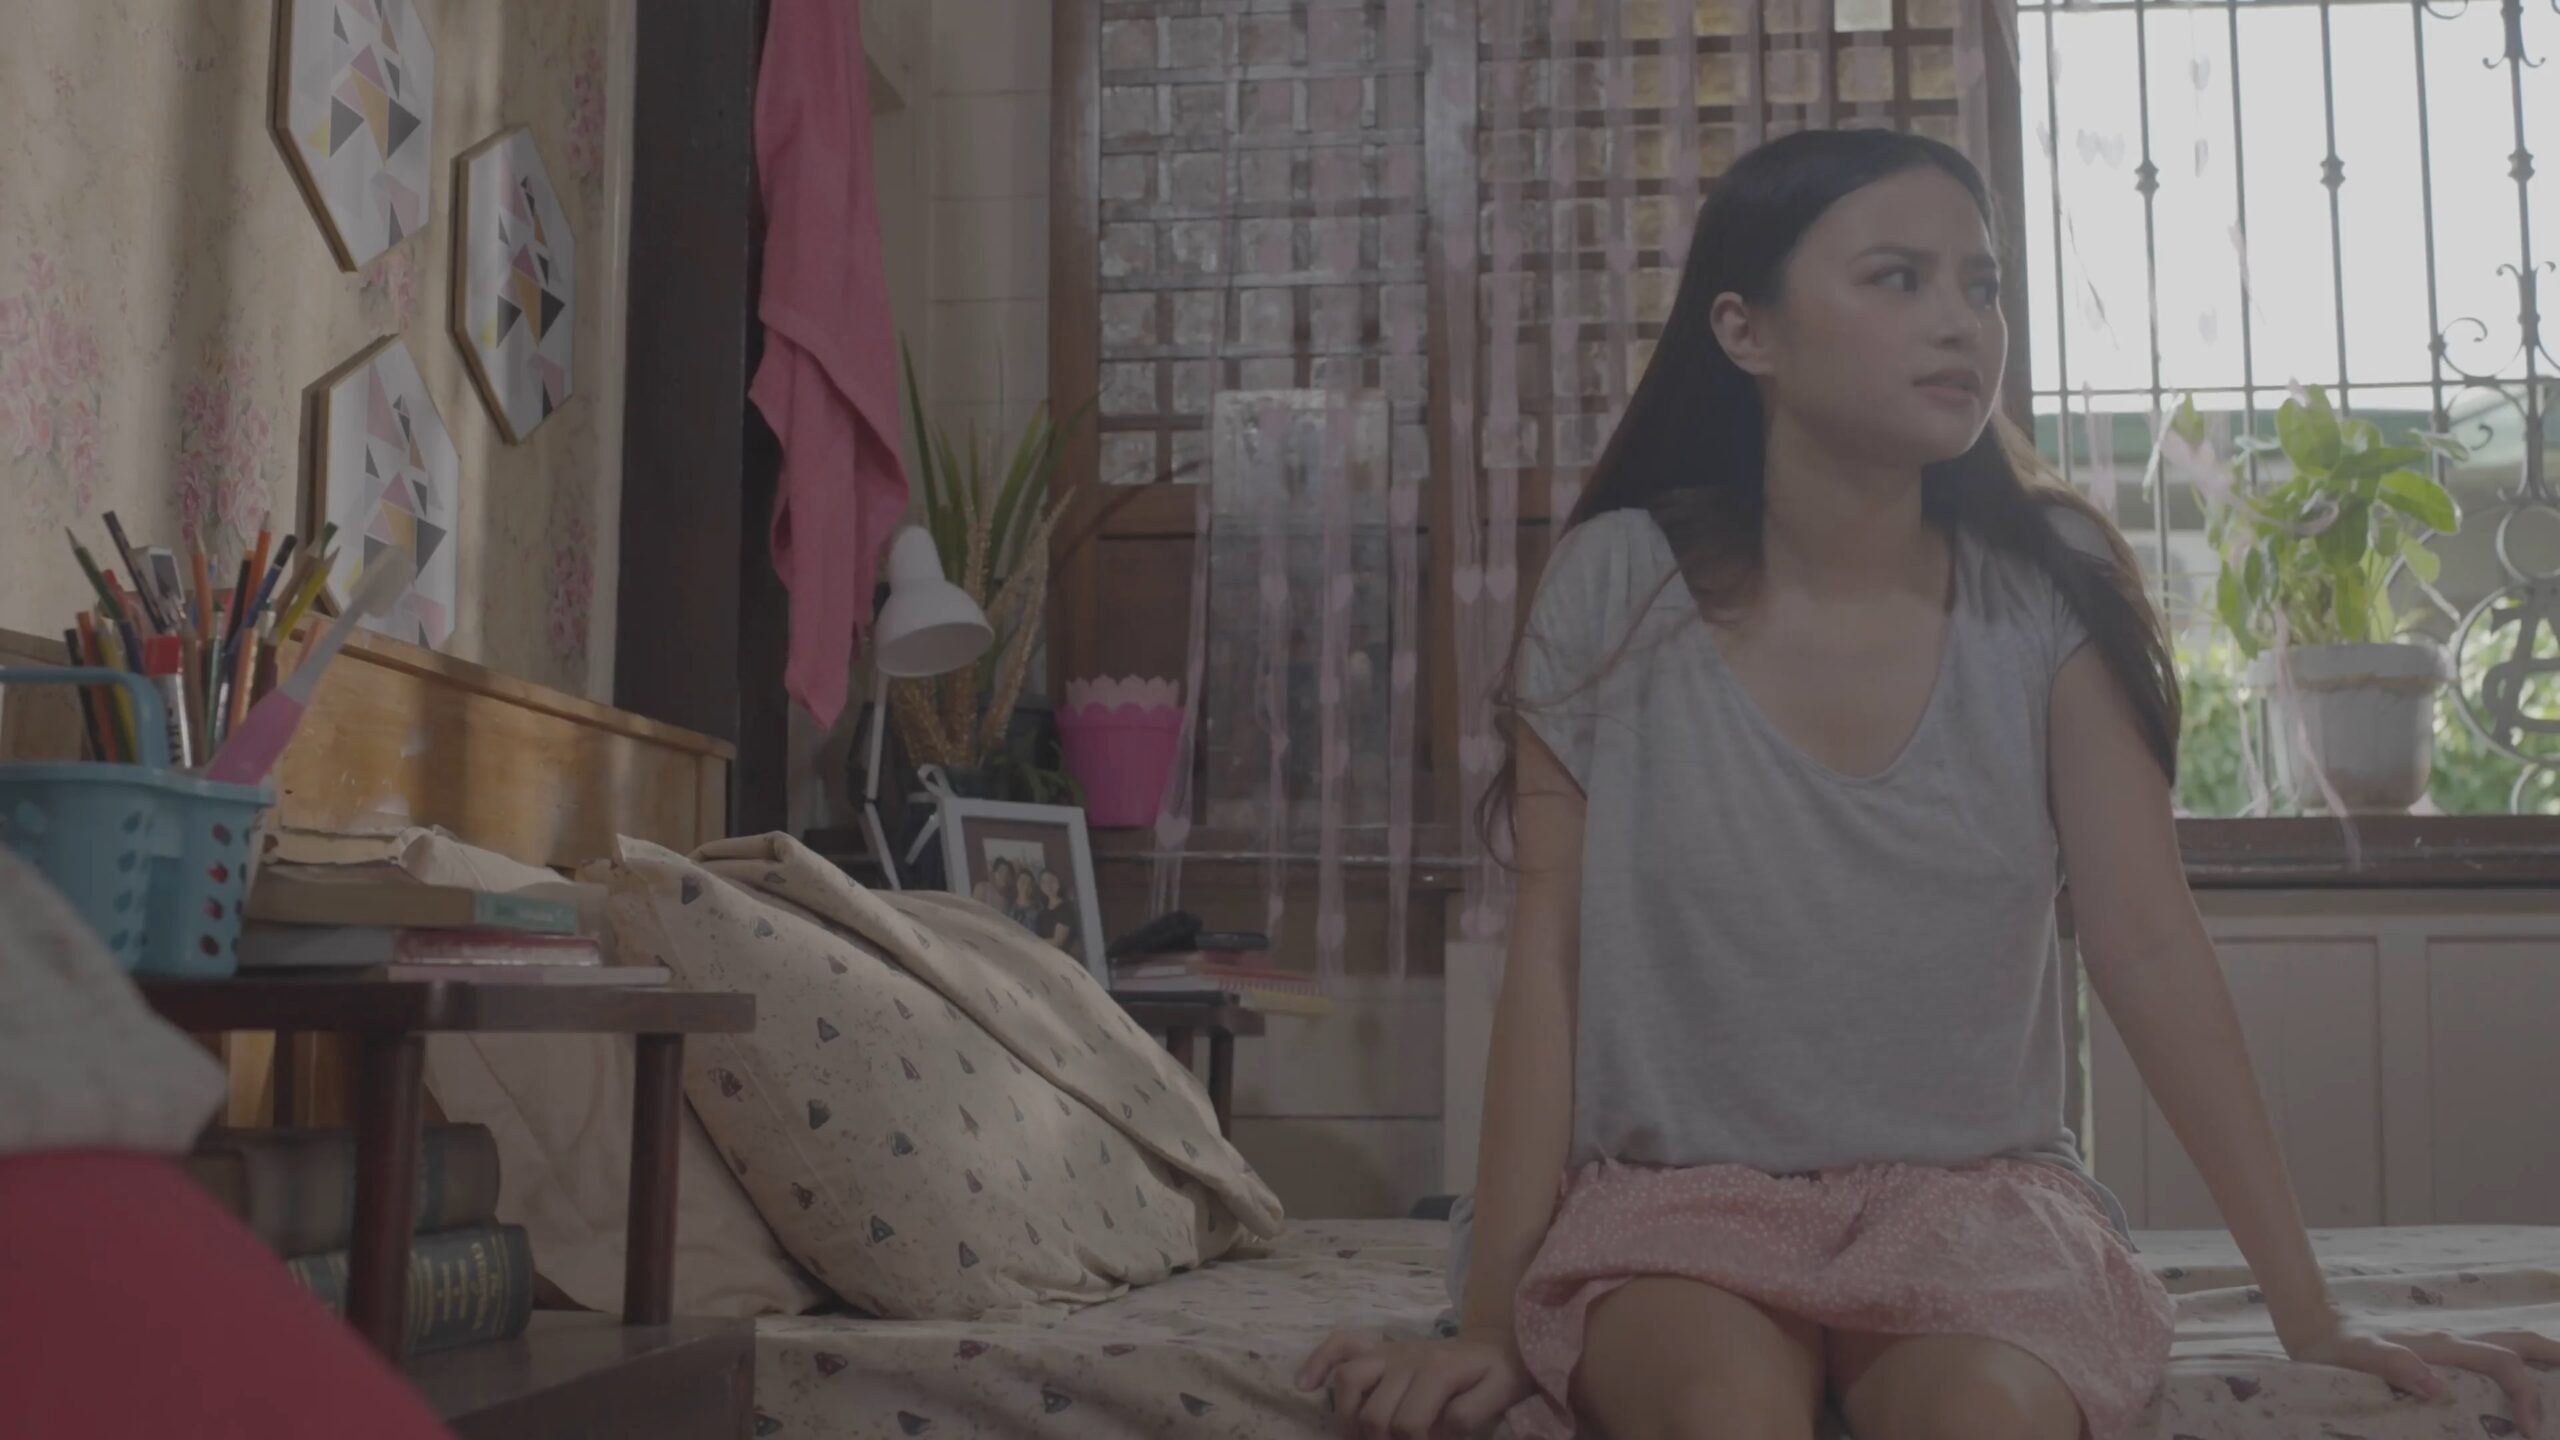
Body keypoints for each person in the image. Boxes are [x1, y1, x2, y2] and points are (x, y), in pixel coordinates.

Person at [1297, 129, 2556, 1440]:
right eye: (1897, 278)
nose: (1962, 322)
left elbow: (2146, 945)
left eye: (1982, 285)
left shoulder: (2050, 583)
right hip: (1677, 1208)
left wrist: (2313, 1313)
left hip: (1978, 1206)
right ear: (1746, 331)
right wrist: (1490, 1321)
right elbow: (1547, 960)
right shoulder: (1612, 586)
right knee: (1725, 1412)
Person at [1035, 867, 1077, 953]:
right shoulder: (1041, 913)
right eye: (1044, 882)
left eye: (1051, 880)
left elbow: (1058, 942)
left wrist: (1035, 943)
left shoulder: (1066, 907)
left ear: (1058, 883)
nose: (1048, 885)